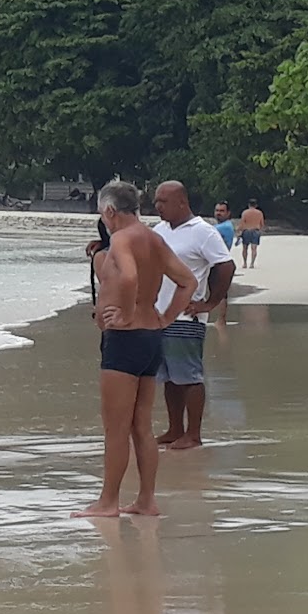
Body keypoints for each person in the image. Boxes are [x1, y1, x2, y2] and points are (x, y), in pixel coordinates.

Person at [79, 181, 196, 519]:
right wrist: (165, 318)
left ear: (110, 211)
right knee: (141, 426)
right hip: (151, 337)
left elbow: (129, 277)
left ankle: (108, 502)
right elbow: (187, 281)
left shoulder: (122, 238)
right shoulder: (153, 238)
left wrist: (127, 313)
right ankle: (146, 500)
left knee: (115, 428)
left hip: (126, 340)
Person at [149, 181, 235, 450]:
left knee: (188, 376)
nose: (157, 206)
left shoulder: (203, 233)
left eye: (163, 201)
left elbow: (226, 266)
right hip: (159, 314)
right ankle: (175, 429)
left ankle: (194, 433)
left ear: (182, 202)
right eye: (156, 201)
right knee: (169, 377)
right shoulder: (159, 230)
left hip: (186, 317)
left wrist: (209, 302)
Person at [238, 199, 264, 268]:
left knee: (245, 248)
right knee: (254, 248)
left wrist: (239, 231)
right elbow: (262, 224)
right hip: (256, 230)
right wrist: (260, 231)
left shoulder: (245, 212)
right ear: (256, 205)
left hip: (246, 230)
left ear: (249, 205)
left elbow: (242, 223)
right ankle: (252, 263)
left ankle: (245, 263)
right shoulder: (259, 213)